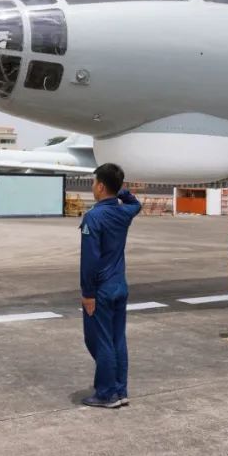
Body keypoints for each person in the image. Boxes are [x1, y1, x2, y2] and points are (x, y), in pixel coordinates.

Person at [79, 163, 142, 408]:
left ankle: (106, 394)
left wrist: (87, 293)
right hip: (119, 285)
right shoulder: (123, 212)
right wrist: (121, 191)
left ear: (101, 186)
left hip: (101, 289)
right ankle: (120, 389)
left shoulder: (94, 216)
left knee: (99, 341)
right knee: (117, 340)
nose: (93, 186)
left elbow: (89, 260)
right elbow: (136, 204)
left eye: (94, 182)